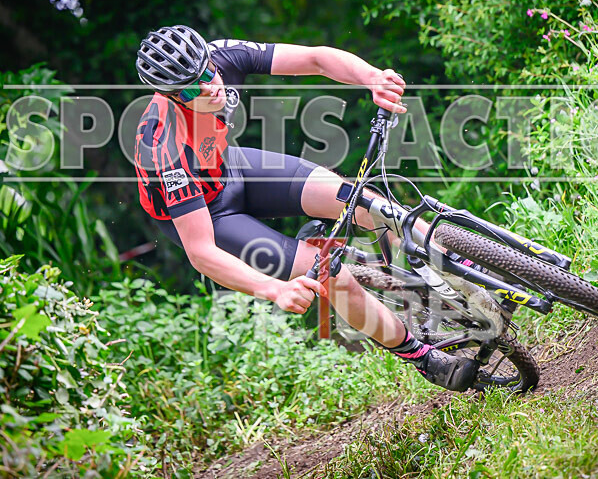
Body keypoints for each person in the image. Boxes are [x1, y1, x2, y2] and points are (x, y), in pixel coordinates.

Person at [134, 25, 478, 392]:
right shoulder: (161, 146)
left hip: (230, 167)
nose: (209, 87)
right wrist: (274, 290)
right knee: (335, 276)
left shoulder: (222, 55)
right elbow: (201, 253)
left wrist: (372, 78)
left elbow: (316, 58)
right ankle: (421, 357)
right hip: (207, 214)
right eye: (191, 89)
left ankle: (470, 273)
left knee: (368, 202)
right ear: (169, 96)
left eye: (206, 74)